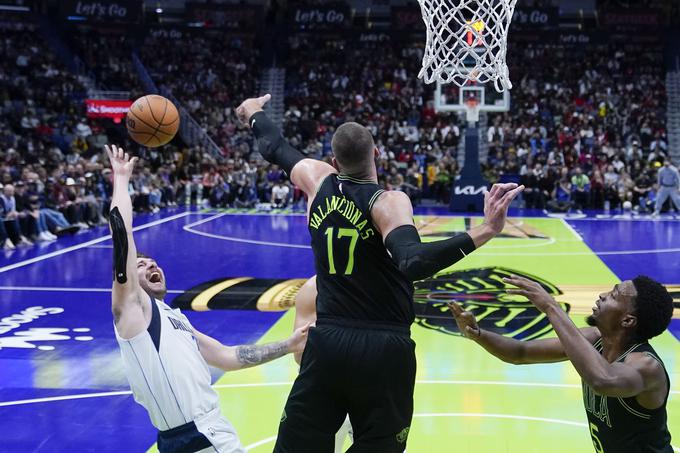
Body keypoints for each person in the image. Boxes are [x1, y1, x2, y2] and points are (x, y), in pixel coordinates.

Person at [236, 94, 522, 452]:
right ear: (377, 154)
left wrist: (253, 111)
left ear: (333, 161)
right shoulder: (387, 202)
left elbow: (274, 146)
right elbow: (413, 262)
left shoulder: (316, 181)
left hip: (329, 342)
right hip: (383, 348)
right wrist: (486, 229)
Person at [105, 144, 311, 453]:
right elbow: (123, 235)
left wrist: (289, 344)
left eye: (153, 263)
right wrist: (121, 180)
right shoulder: (132, 310)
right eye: (141, 265)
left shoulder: (176, 319)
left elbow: (230, 356)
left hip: (203, 431)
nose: (151, 265)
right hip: (195, 434)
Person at [449, 275, 673, 452]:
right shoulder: (593, 340)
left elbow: (603, 379)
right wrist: (477, 334)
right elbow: (520, 352)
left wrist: (550, 306)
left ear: (627, 320)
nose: (603, 295)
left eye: (614, 296)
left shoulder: (646, 366)